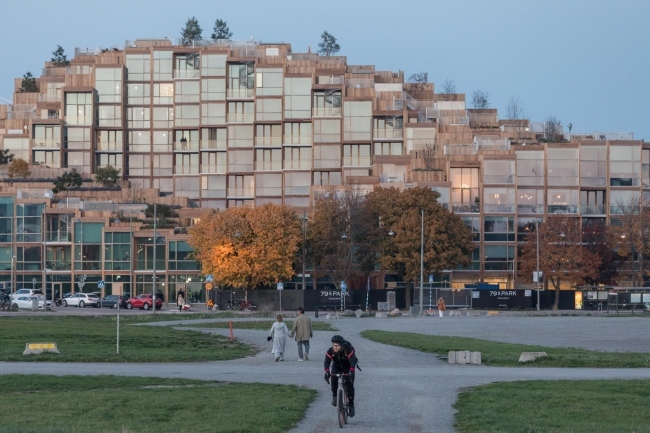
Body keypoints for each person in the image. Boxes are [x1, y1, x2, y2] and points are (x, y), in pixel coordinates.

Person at [324, 335, 357, 417]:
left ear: (341, 345)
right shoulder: (330, 351)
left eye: (337, 345)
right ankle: (335, 395)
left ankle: (351, 405)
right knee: (333, 378)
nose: (335, 347)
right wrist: (327, 372)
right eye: (334, 345)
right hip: (337, 366)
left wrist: (352, 371)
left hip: (348, 366)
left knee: (350, 385)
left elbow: (352, 361)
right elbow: (327, 362)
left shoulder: (348, 349)